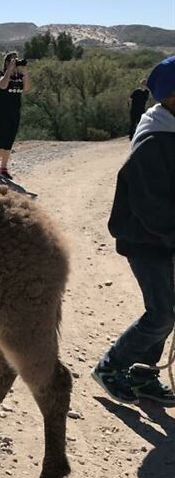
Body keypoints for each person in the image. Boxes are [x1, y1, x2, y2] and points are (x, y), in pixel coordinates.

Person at [92, 55, 175, 407]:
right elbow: (150, 205)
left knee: (167, 310)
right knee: (161, 313)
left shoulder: (168, 130)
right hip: (146, 240)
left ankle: (143, 376)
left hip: (161, 238)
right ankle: (110, 367)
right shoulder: (155, 140)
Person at [0, 52, 30, 181]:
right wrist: (8, 71)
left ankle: (4, 168)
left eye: (16, 60)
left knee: (9, 141)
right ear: (6, 62)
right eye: (11, 60)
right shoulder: (0, 75)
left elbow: (27, 88)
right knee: (1, 139)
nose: (14, 62)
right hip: (1, 112)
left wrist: (24, 71)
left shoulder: (19, 76)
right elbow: (2, 85)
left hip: (15, 111)